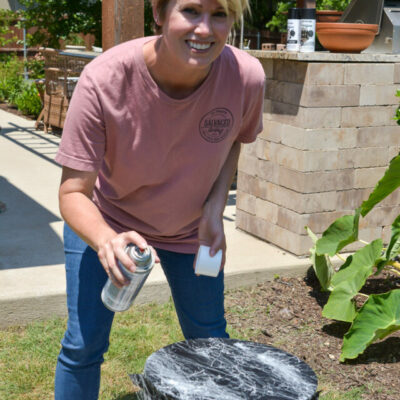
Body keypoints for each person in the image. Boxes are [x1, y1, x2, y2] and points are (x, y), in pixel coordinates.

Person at [54, 0, 265, 398]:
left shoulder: (246, 76)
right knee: (83, 347)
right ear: (159, 14)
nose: (205, 29)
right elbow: (72, 193)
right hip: (109, 221)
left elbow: (235, 138)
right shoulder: (103, 79)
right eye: (190, 11)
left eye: (219, 14)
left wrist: (215, 208)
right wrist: (105, 240)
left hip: (190, 231)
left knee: (212, 344)